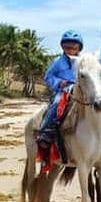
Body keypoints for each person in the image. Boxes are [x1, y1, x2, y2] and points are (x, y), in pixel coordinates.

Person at [35, 30, 83, 163]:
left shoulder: (83, 61)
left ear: (79, 47)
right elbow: (48, 76)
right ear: (62, 47)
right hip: (64, 91)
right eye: (68, 47)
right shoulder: (57, 61)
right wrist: (58, 82)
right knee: (56, 103)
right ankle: (45, 132)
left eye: (74, 47)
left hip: (80, 90)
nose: (71, 49)